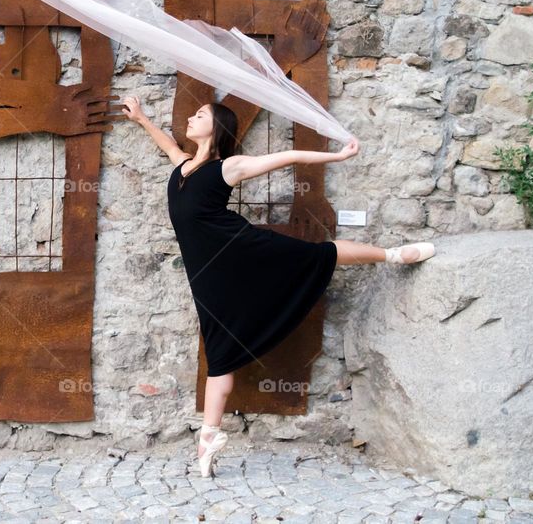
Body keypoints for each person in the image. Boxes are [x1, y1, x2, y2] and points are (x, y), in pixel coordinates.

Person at [121, 95, 436, 477]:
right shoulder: (184, 166)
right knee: (219, 351)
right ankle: (209, 438)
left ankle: (391, 254)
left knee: (319, 254)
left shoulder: (229, 167)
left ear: (215, 127)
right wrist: (141, 118)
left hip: (243, 251)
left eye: (199, 114)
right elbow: (168, 145)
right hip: (208, 275)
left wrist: (336, 157)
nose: (190, 117)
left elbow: (287, 157)